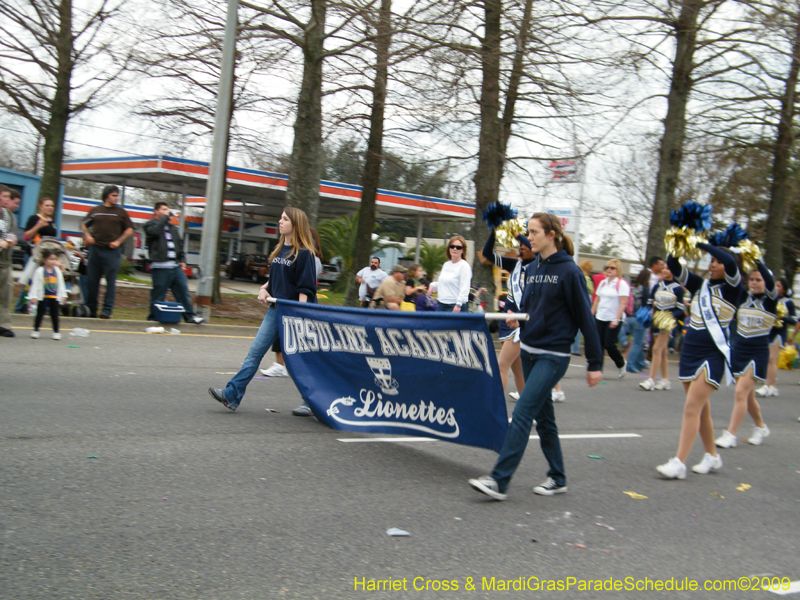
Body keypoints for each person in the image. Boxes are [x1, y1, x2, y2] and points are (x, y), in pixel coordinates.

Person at [468, 213, 603, 501]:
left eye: (534, 232)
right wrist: (520, 320)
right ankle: (558, 476)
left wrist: (595, 363)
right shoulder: (533, 267)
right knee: (545, 420)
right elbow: (532, 308)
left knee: (522, 412)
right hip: (529, 349)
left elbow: (585, 319)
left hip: (553, 355)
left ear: (551, 234)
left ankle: (499, 480)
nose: (529, 237)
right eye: (528, 232)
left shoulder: (570, 271)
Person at [208, 207, 317, 412]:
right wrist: (263, 288)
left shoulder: (304, 254)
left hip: (295, 315)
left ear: (296, 224)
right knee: (255, 353)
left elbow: (306, 287)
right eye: (281, 217)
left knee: (299, 361)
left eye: (285, 219)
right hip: (276, 310)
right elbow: (276, 277)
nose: (280, 221)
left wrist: (301, 313)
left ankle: (312, 402)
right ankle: (232, 395)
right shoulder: (279, 249)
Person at [655, 243, 742, 479]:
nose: (713, 264)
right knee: (701, 410)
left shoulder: (734, 287)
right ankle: (712, 456)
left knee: (692, 407)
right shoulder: (700, 285)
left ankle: (679, 462)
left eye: (717, 261)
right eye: (711, 261)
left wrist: (705, 244)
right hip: (690, 351)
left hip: (713, 354)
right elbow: (672, 265)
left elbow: (732, 263)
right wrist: (680, 243)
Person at [715, 262, 775, 449]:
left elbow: (771, 282)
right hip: (739, 351)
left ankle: (730, 434)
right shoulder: (743, 297)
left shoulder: (771, 300)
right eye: (752, 279)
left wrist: (757, 260)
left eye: (759, 280)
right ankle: (760, 427)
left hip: (757, 353)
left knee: (740, 393)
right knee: (747, 397)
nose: (754, 283)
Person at [481, 228, 535, 399]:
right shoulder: (515, 264)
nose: (522, 246)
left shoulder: (539, 265)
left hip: (521, 322)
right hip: (508, 321)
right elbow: (487, 254)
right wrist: (495, 231)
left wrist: (517, 232)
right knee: (517, 371)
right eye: (520, 244)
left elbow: (534, 248)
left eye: (526, 243)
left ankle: (492, 409)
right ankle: (527, 413)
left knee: (501, 365)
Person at [144, 202, 204, 324]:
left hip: (175, 267)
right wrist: (165, 218)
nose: (167, 211)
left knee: (183, 292)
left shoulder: (173, 229)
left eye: (168, 209)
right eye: (164, 209)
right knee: (158, 294)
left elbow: (179, 246)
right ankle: (153, 317)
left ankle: (190, 316)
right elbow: (154, 232)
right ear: (156, 211)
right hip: (160, 266)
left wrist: (182, 260)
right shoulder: (150, 225)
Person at [81, 185, 134, 319]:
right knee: (92, 281)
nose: (116, 198)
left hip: (112, 251)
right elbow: (83, 224)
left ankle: (106, 310)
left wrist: (119, 241)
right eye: (114, 195)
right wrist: (87, 235)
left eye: (117, 195)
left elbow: (129, 230)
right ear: (106, 196)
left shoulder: (121, 212)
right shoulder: (96, 210)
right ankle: (91, 309)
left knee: (110, 282)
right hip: (95, 250)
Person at [639, 265, 684, 390]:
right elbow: (649, 303)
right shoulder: (657, 286)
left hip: (668, 322)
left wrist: (669, 317)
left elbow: (681, 309)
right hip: (656, 320)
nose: (665, 270)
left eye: (668, 268)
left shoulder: (678, 289)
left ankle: (651, 380)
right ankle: (665, 380)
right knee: (663, 352)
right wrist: (648, 309)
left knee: (656, 349)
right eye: (663, 268)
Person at [15, 197, 58, 313]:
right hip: (33, 256)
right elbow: (26, 236)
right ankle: (20, 307)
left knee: (46, 282)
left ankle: (42, 307)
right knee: (29, 281)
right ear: (40, 206)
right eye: (47, 205)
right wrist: (38, 226)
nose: (50, 208)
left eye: (52, 206)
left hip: (47, 257)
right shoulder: (34, 219)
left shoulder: (52, 222)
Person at [591, 258, 629, 378]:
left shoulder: (621, 284)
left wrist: (616, 319)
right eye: (607, 268)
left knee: (609, 344)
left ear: (618, 270)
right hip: (601, 316)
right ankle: (598, 370)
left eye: (612, 268)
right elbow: (597, 300)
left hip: (613, 318)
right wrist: (591, 314)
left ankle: (621, 363)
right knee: (598, 344)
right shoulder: (603, 283)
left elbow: (623, 303)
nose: (609, 270)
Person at [757, 278, 795, 397]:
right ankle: (773, 386)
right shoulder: (768, 300)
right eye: (775, 286)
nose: (776, 288)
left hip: (779, 333)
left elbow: (794, 320)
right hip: (767, 331)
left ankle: (767, 385)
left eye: (778, 286)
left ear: (783, 288)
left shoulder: (788, 302)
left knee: (772, 359)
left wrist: (780, 317)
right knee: (768, 359)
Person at [28, 248, 67, 340]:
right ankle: (36, 330)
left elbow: (61, 284)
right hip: (43, 296)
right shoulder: (40, 271)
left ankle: (56, 331)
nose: (53, 261)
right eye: (51, 259)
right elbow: (35, 284)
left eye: (55, 259)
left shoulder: (57, 271)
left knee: (55, 315)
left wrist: (63, 295)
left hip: (54, 296)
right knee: (40, 314)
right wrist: (33, 296)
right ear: (44, 260)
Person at [622, 268, 651, 373]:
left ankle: (640, 363)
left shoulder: (633, 287)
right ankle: (630, 365)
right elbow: (646, 304)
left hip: (630, 317)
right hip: (640, 317)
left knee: (637, 340)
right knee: (638, 343)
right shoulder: (646, 288)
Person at [0, 185, 20, 337]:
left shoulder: (7, 214)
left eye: (8, 197)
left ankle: (3, 324)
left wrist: (11, 238)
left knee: (5, 295)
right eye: (5, 196)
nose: (8, 199)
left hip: (5, 260)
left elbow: (9, 233)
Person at [432, 235, 471, 312]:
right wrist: (433, 285)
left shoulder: (464, 266)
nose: (455, 249)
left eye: (458, 247)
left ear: (463, 250)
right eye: (452, 246)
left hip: (455, 306)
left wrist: (458, 304)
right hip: (441, 304)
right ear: (449, 248)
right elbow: (443, 283)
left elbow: (465, 287)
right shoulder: (446, 264)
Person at [570, 260, 594, 355]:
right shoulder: (586, 278)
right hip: (584, 302)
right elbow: (591, 290)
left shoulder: (576, 274)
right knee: (581, 328)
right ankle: (575, 349)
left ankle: (572, 347)